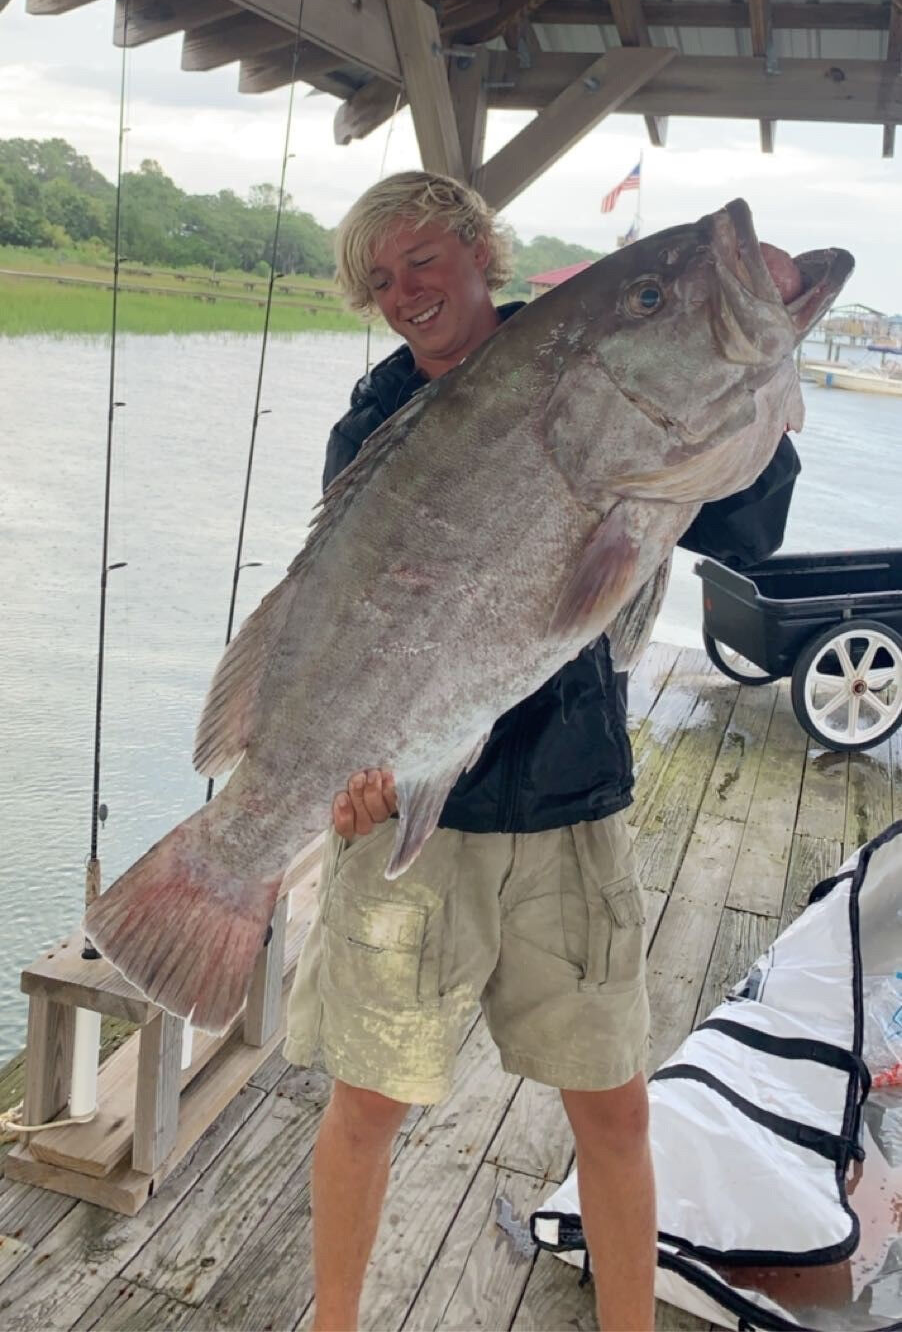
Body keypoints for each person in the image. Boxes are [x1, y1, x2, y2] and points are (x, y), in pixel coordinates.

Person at [284, 170, 800, 1332]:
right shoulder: (369, 427)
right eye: (378, 280)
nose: (403, 292)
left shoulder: (589, 364)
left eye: (420, 259)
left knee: (613, 1113)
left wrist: (746, 374)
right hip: (423, 836)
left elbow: (749, 529)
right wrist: (349, 780)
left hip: (570, 807)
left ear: (480, 249)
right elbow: (340, 635)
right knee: (364, 1107)